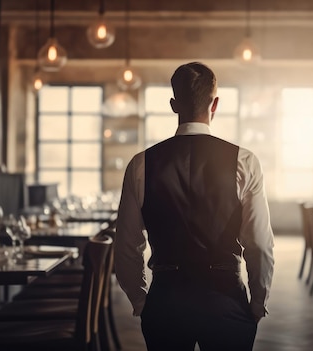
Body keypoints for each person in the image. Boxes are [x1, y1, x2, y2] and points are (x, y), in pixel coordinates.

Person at [114, 62, 274, 351]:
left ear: (174, 105)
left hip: (166, 298)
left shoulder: (141, 164)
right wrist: (257, 303)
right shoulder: (245, 161)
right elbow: (259, 244)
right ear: (215, 105)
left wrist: (141, 301)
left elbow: (126, 244)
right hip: (225, 296)